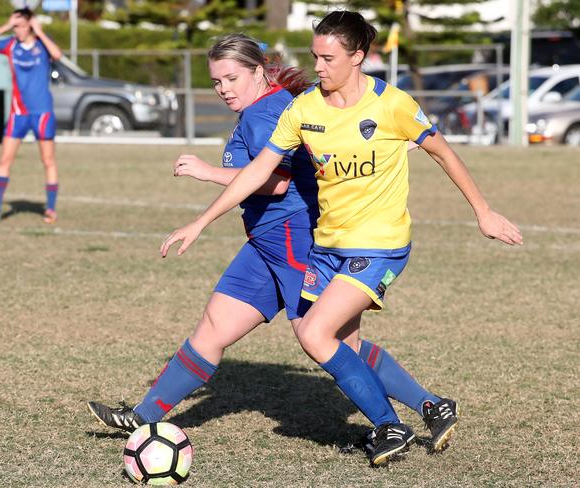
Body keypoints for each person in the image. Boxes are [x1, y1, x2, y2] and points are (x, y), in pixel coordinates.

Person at [159, 11, 522, 465]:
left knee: (314, 333)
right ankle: (432, 406)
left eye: (328, 57)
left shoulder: (392, 104)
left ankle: (390, 427)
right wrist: (201, 221)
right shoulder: (304, 109)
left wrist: (483, 212)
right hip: (328, 247)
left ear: (358, 56)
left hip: (380, 245)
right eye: (315, 56)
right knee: (342, 344)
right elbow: (259, 172)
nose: (319, 66)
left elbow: (443, 152)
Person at [88, 33, 458, 467]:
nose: (224, 88)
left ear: (258, 71)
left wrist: (208, 174)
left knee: (328, 338)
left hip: (294, 238)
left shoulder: (264, 112)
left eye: (231, 78)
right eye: (216, 82)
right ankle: (143, 416)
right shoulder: (267, 106)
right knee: (214, 326)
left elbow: (276, 179)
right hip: (265, 243)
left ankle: (405, 417)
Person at [0, 8, 62, 224]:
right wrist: (6, 26)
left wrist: (40, 32)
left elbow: (58, 55)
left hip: (42, 113)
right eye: (16, 26)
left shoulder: (42, 44)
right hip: (18, 114)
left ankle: (50, 209)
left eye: (21, 25)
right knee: (5, 160)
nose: (18, 30)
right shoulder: (11, 45)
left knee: (48, 160)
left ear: (31, 24)